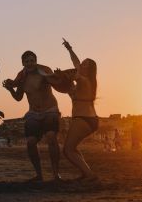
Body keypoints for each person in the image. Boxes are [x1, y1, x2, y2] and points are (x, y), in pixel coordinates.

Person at [44, 39, 99, 181]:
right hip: (87, 119)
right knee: (73, 148)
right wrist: (69, 49)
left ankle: (89, 175)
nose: (81, 64)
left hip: (83, 119)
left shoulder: (85, 81)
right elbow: (76, 63)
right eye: (83, 62)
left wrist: (62, 75)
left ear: (89, 69)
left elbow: (75, 75)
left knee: (67, 150)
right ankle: (86, 172)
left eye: (85, 64)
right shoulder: (84, 79)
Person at [3, 51, 61, 182]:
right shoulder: (21, 76)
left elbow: (57, 84)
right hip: (33, 113)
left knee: (51, 137)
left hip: (50, 110)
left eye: (32, 60)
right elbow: (18, 97)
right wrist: (10, 88)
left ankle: (56, 174)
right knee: (30, 142)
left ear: (36, 61)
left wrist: (58, 77)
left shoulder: (44, 70)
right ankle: (39, 174)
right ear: (23, 63)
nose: (29, 63)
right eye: (27, 61)